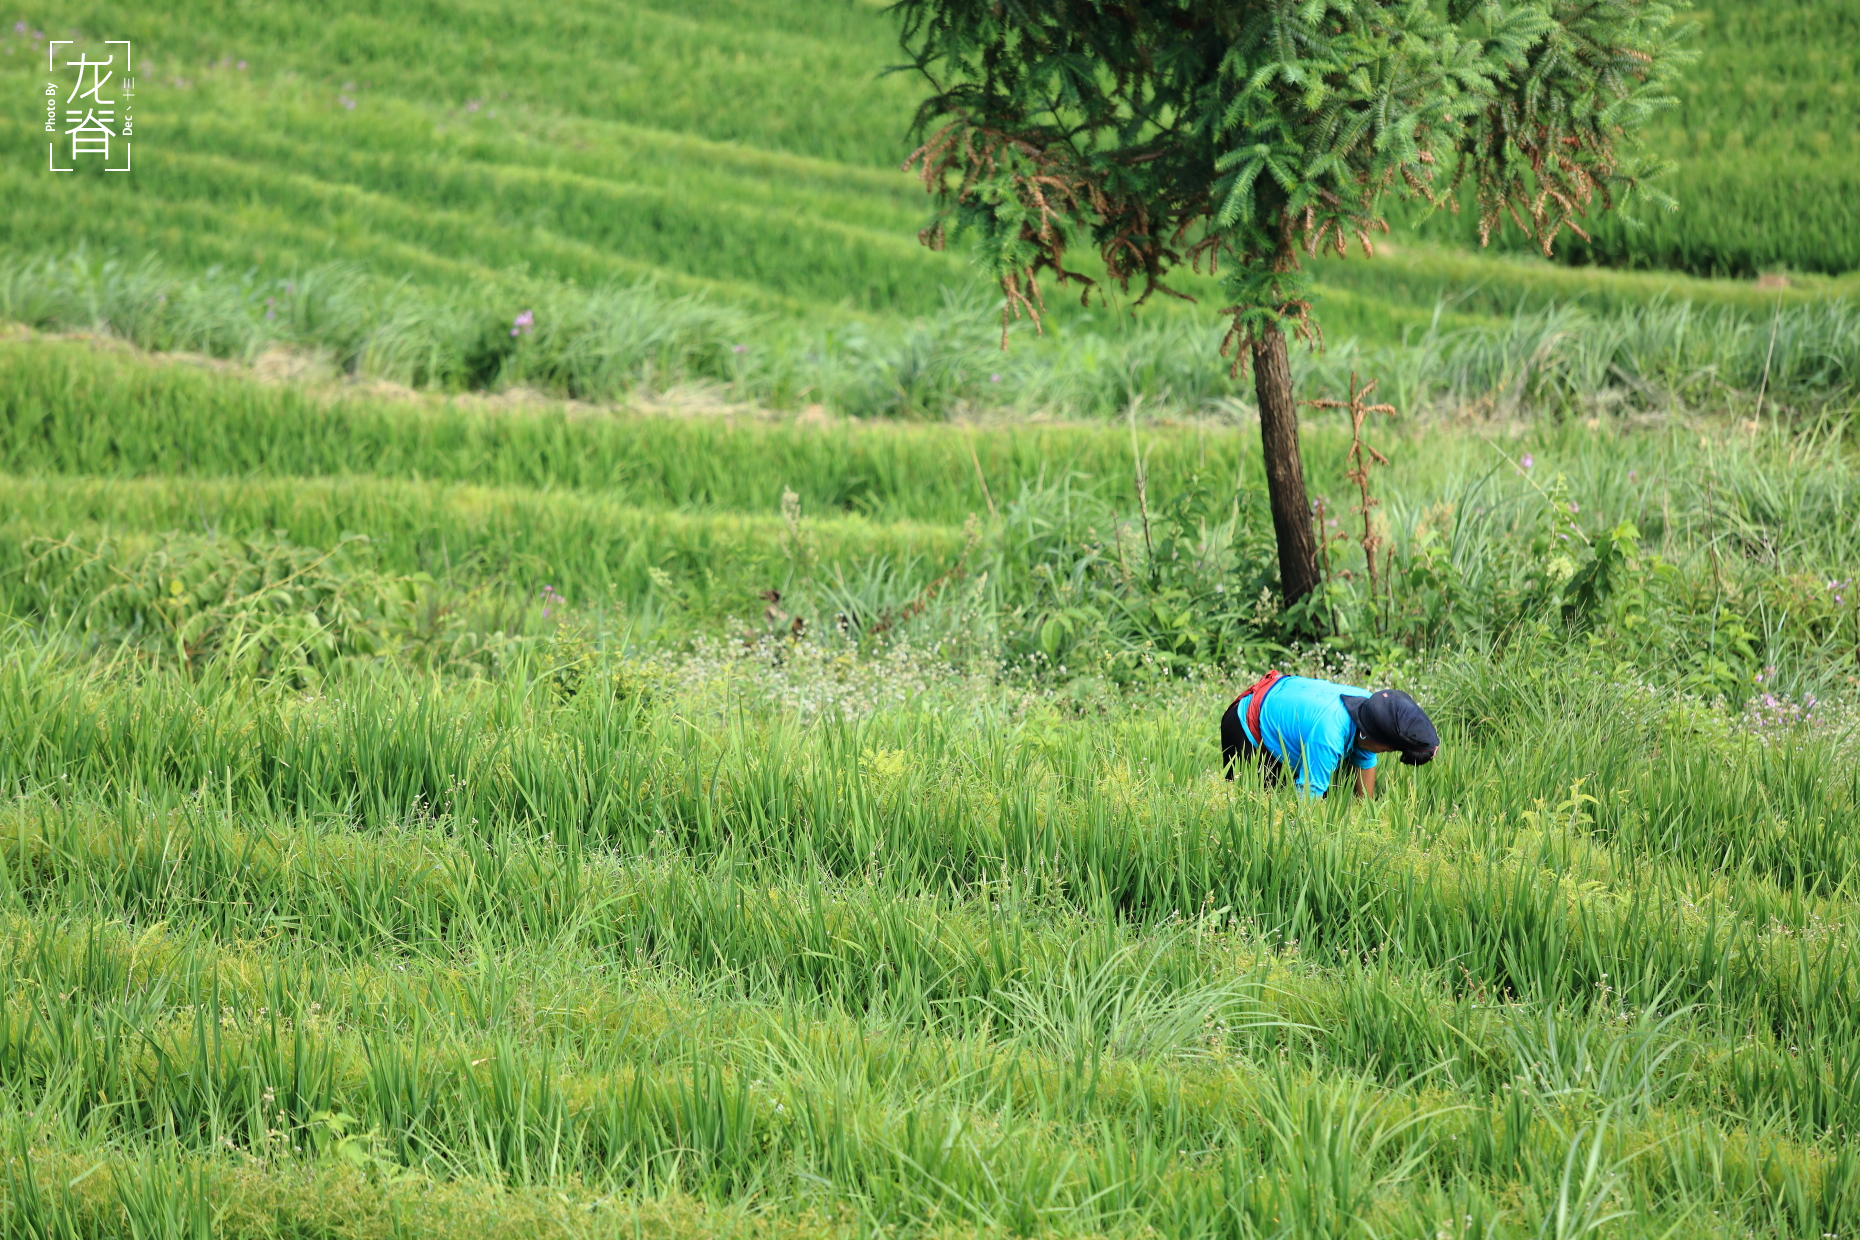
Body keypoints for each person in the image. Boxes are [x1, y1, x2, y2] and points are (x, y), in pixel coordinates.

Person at [1221, 670, 1439, 798]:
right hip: (1245, 727)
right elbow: (1307, 798)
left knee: (1327, 793)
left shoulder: (1368, 707)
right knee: (1259, 805)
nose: (1386, 752)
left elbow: (1365, 759)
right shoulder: (1329, 735)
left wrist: (1365, 817)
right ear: (1374, 739)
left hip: (1282, 703)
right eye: (1389, 749)